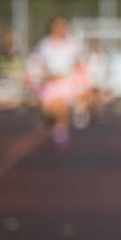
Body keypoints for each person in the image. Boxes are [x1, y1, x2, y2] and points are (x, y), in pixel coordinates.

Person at [26, 15, 85, 150]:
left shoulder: (72, 44)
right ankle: (58, 128)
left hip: (66, 84)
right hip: (49, 84)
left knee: (61, 108)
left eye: (64, 26)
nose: (61, 29)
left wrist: (81, 87)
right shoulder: (44, 44)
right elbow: (36, 65)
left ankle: (61, 135)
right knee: (51, 113)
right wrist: (34, 89)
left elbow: (79, 66)